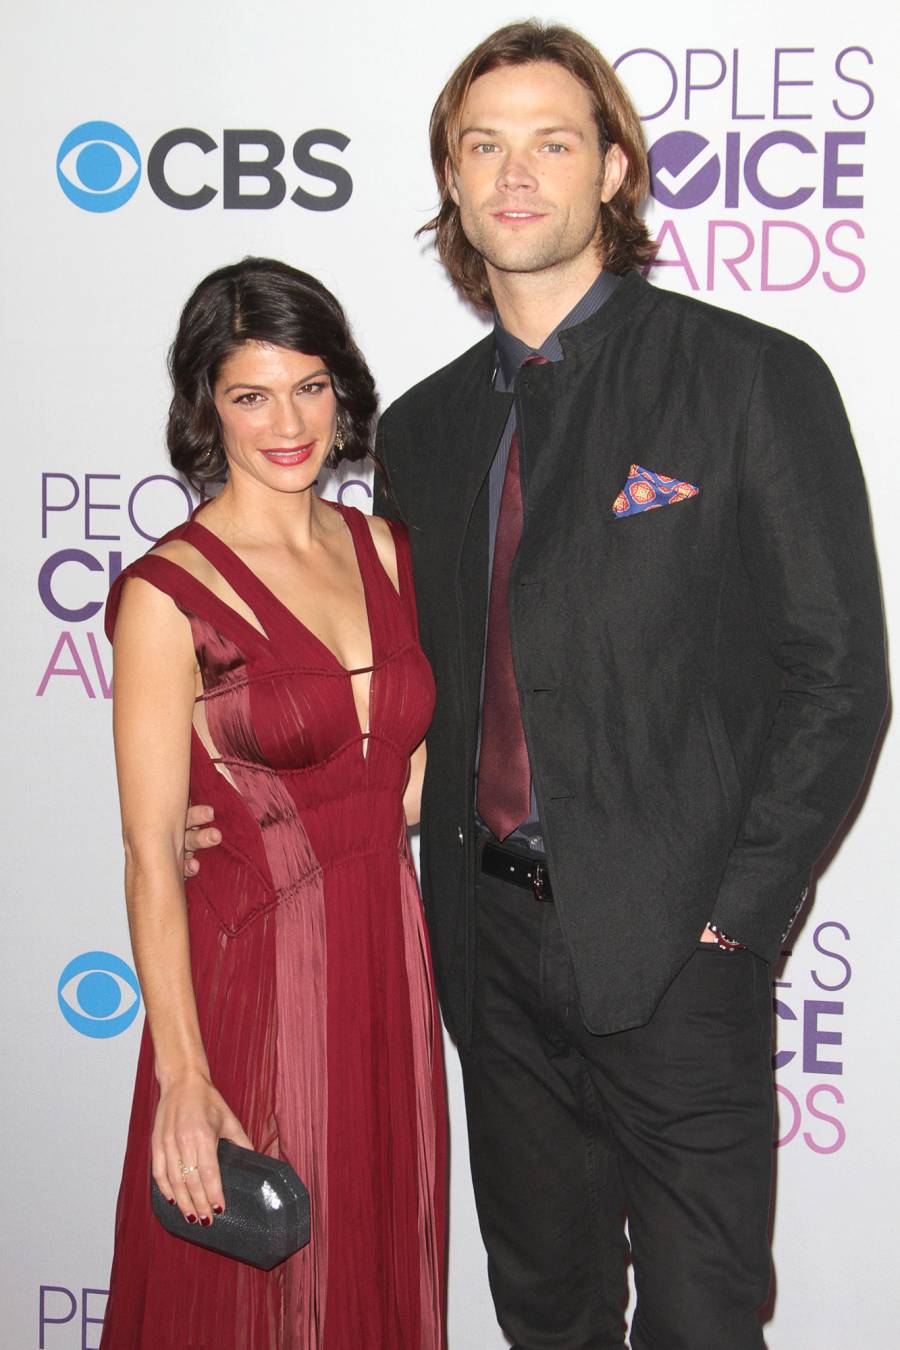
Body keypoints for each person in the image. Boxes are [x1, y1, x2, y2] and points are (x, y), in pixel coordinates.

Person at [186, 22, 887, 1350]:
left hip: (682, 952)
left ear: (615, 168)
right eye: (483, 145)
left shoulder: (752, 380)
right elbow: (387, 693)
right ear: (451, 182)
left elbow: (840, 672)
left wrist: (736, 914)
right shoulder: (429, 430)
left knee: (702, 1319)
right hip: (485, 949)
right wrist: (228, 809)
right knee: (546, 1310)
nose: (516, 174)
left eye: (552, 142)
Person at [100, 257, 446, 1350]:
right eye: (251, 394)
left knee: (374, 1260)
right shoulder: (170, 593)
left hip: (390, 960)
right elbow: (155, 853)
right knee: (260, 1291)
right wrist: (183, 1073)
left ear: (342, 388)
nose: (286, 422)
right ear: (209, 407)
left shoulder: (387, 549)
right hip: (257, 966)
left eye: (308, 386)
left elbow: (399, 774)